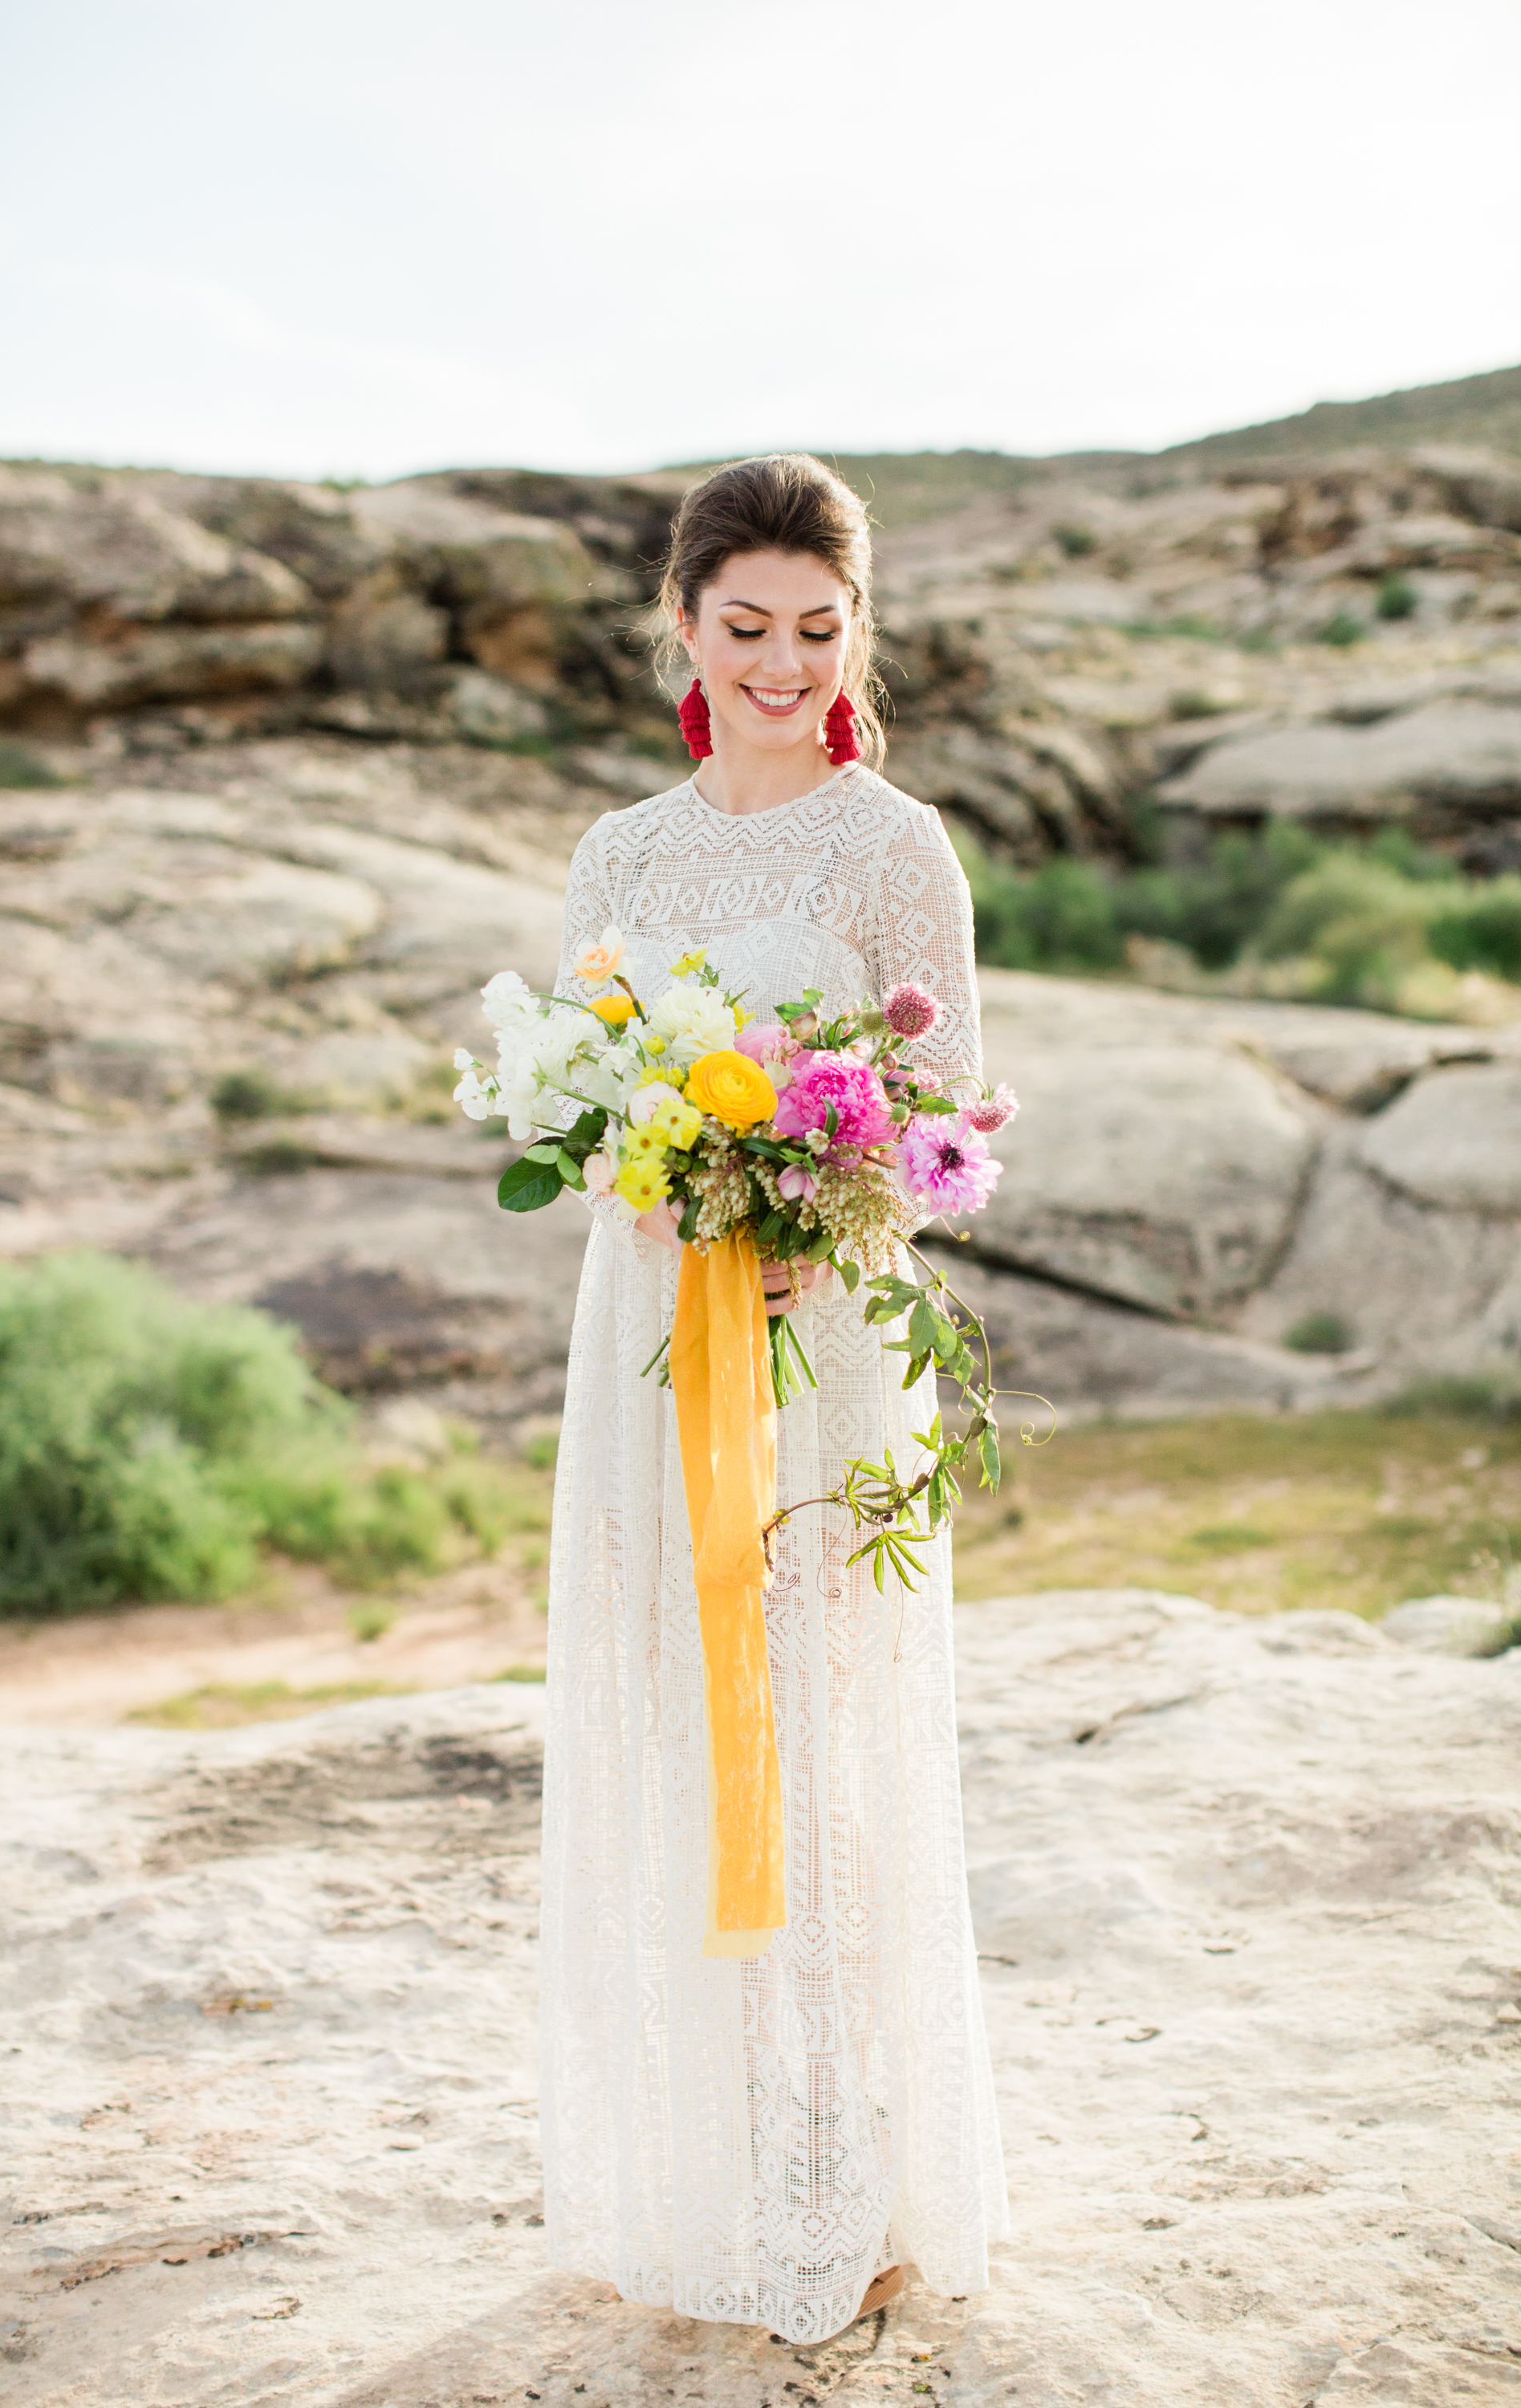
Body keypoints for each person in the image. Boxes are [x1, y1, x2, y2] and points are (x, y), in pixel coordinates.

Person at [538, 454, 1007, 2345]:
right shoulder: (621, 858)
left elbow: (954, 1119)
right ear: (682, 625)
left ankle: (853, 2174)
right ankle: (704, 2176)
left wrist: (830, 1210)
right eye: (746, 631)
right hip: (647, 1348)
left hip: (817, 1365)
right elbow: (580, 1110)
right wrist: (648, 1169)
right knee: (671, 1714)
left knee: (820, 1729)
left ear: (857, 630)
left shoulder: (893, 847)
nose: (785, 666)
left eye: (821, 632)